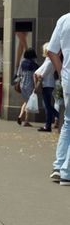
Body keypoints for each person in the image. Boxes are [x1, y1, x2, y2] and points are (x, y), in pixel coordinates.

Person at [47, 13, 70, 185]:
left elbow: (51, 51)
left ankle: (59, 165)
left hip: (68, 78)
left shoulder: (63, 19)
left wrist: (62, 72)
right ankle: (66, 171)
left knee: (68, 122)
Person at [33, 42, 59, 132]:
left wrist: (38, 76)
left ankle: (58, 117)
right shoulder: (49, 60)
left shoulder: (49, 61)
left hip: (47, 84)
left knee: (47, 106)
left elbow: (43, 73)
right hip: (47, 84)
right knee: (47, 106)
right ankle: (48, 125)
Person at [16, 48, 39, 126]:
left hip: (22, 83)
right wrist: (35, 86)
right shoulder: (34, 64)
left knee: (26, 101)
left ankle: (20, 116)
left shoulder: (22, 62)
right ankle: (26, 120)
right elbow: (35, 75)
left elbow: (19, 73)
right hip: (30, 84)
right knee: (28, 102)